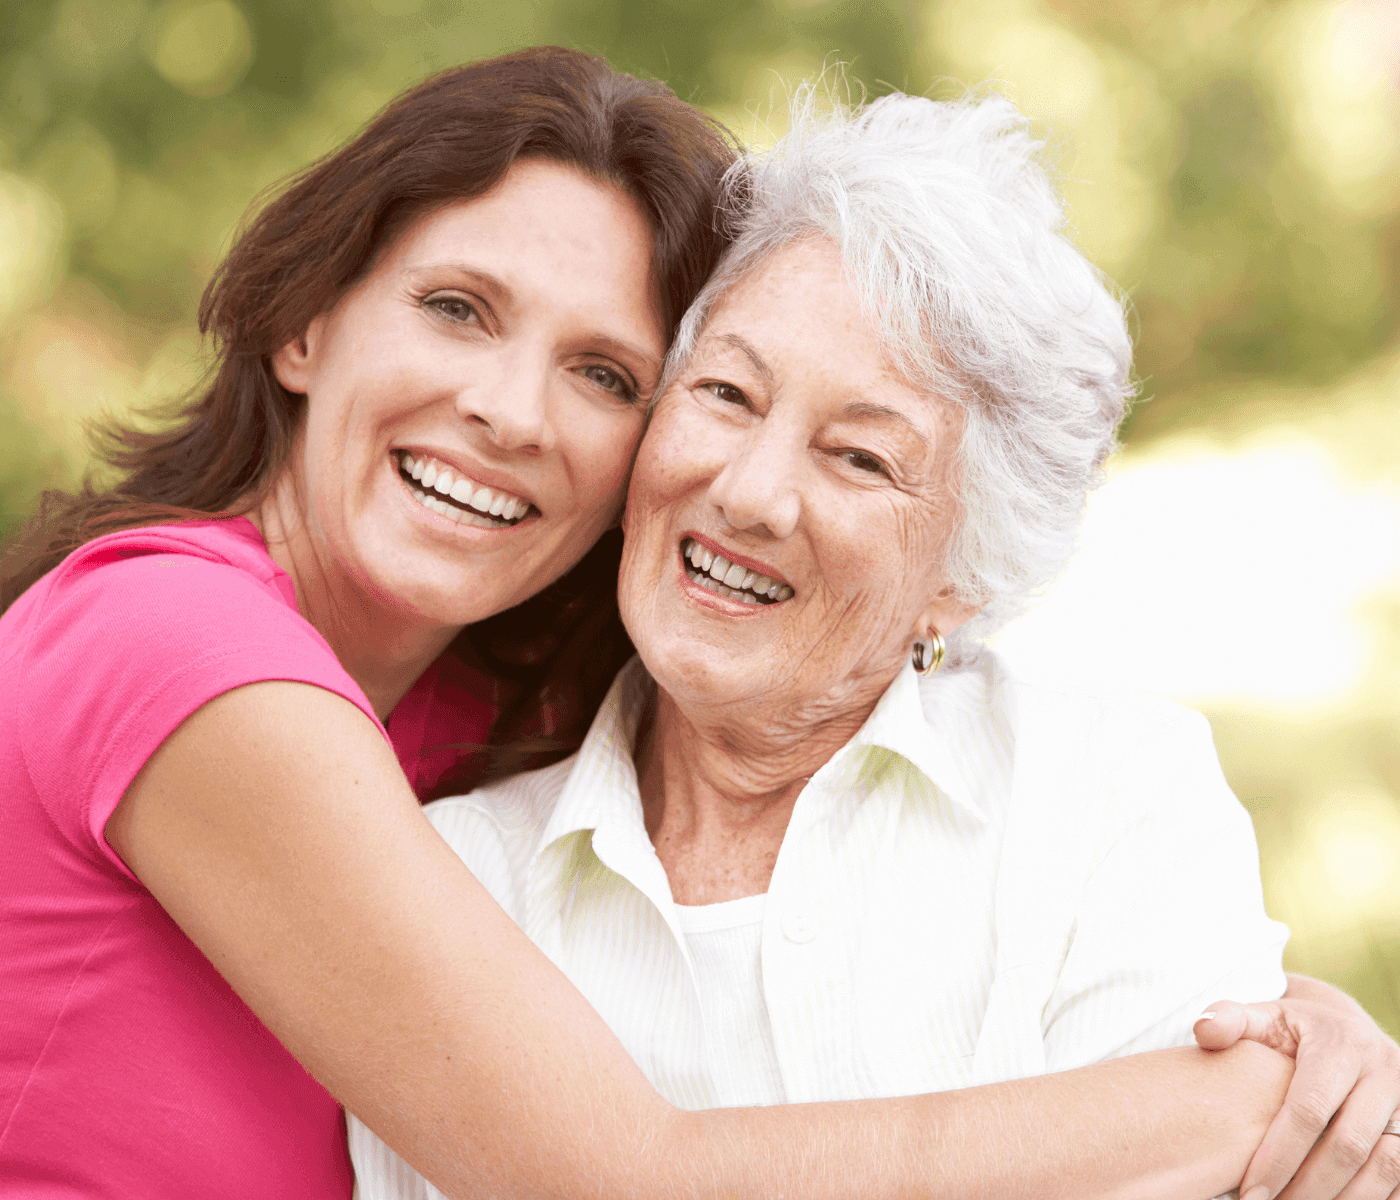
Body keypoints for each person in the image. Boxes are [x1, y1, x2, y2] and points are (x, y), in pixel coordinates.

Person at [0, 46, 1394, 1200]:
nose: (510, 410)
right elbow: (610, 1178)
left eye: (605, 373)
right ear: (302, 324)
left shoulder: (484, 716)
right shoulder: (176, 646)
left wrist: (1319, 1048)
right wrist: (1218, 1112)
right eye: (456, 309)